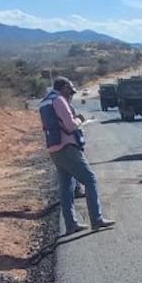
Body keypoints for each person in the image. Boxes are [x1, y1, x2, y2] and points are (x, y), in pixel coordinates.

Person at [38, 77, 114, 234]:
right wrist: (79, 120)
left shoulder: (45, 102)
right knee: (90, 179)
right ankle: (96, 219)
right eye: (70, 92)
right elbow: (70, 125)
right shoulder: (59, 100)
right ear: (64, 88)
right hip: (67, 147)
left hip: (54, 149)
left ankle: (71, 224)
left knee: (66, 187)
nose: (70, 96)